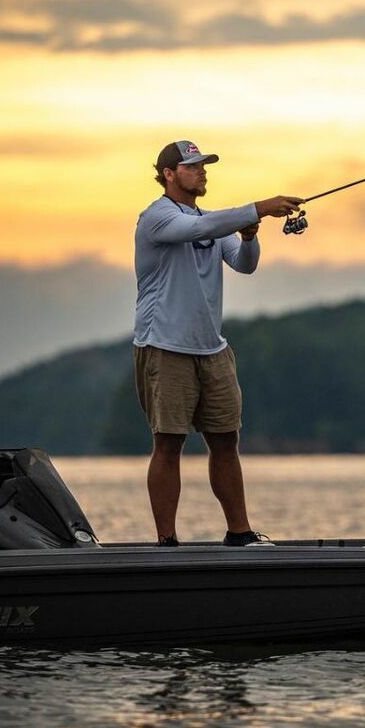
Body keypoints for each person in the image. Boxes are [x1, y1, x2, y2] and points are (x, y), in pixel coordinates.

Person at [133, 139, 301, 546]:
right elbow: (199, 229)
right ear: (169, 174)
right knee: (168, 443)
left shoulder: (211, 219)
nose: (202, 171)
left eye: (204, 165)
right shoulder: (156, 217)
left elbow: (245, 264)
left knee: (226, 441)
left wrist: (248, 236)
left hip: (212, 349)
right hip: (165, 345)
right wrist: (258, 207)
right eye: (192, 166)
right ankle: (166, 541)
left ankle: (239, 533)